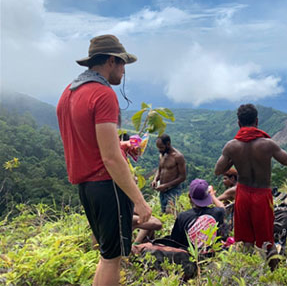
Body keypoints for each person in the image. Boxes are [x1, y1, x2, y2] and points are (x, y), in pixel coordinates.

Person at [56, 35, 152, 286]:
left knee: (107, 255)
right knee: (113, 258)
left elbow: (82, 139)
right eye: (122, 65)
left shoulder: (68, 93)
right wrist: (139, 201)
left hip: (87, 188)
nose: (123, 71)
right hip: (108, 185)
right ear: (111, 61)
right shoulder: (103, 94)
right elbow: (110, 159)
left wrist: (119, 145)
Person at [214, 104, 287, 263]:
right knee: (266, 239)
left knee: (246, 239)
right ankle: (272, 273)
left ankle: (247, 271)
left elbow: (218, 170)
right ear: (257, 121)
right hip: (262, 194)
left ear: (239, 123)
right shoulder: (267, 144)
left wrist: (233, 157)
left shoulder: (232, 146)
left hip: (242, 193)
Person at [170, 179, 225, 248]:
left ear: (189, 196)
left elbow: (175, 242)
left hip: (189, 256)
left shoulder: (182, 217)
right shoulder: (217, 212)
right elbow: (222, 207)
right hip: (212, 254)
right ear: (208, 197)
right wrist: (212, 195)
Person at [151, 134, 186, 213]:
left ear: (168, 144)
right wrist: (155, 180)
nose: (159, 150)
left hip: (173, 190)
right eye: (158, 147)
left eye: (161, 147)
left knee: (170, 212)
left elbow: (183, 177)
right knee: (163, 212)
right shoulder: (162, 155)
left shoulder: (178, 157)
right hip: (162, 190)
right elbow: (160, 169)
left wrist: (166, 185)